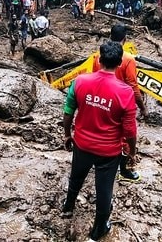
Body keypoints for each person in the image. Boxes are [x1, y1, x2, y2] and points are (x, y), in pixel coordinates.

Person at [61, 41, 138, 242]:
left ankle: (68, 207)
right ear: (120, 63)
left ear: (99, 60)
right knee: (104, 189)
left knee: (76, 177)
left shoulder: (80, 82)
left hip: (82, 144)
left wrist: (67, 134)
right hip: (108, 152)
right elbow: (130, 130)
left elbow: (68, 112)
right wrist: (132, 151)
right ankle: (98, 230)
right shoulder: (126, 92)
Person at [92, 24, 148, 182]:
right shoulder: (128, 59)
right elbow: (133, 86)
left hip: (102, 100)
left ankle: (100, 162)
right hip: (121, 103)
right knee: (125, 137)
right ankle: (124, 170)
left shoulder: (98, 56)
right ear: (125, 39)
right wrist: (142, 107)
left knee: (102, 131)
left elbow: (95, 78)